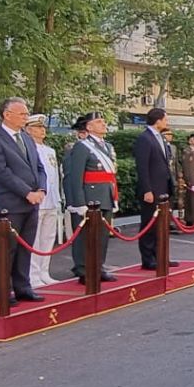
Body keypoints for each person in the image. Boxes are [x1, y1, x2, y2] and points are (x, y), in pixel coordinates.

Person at [0, 96, 49, 302]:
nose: (26, 117)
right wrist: (27, 192)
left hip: (32, 202)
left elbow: (39, 167)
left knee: (25, 248)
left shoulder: (26, 137)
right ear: (7, 115)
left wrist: (41, 189)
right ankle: (2, 290)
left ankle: (23, 286)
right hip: (9, 203)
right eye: (23, 114)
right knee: (6, 251)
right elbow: (1, 172)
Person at [62, 112, 119, 282]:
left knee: (102, 236)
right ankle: (83, 269)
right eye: (99, 121)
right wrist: (79, 202)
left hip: (106, 195)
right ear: (89, 127)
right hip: (90, 196)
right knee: (85, 236)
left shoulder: (107, 146)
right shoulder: (82, 146)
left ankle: (98, 266)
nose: (104, 124)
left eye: (103, 121)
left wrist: (114, 196)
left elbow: (110, 175)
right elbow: (76, 176)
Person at [135, 108, 177, 269]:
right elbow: (142, 167)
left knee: (162, 226)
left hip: (163, 188)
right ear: (157, 120)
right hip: (152, 190)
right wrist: (147, 189)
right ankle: (148, 259)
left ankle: (161, 256)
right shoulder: (145, 138)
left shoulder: (160, 138)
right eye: (165, 119)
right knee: (149, 225)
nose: (167, 122)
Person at [26, 116, 65, 287]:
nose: (42, 130)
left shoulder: (50, 151)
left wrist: (58, 198)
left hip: (51, 200)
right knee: (34, 240)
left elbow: (54, 177)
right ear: (28, 129)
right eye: (37, 127)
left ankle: (44, 271)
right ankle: (32, 274)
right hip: (37, 200)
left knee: (48, 238)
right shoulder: (27, 149)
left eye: (43, 127)